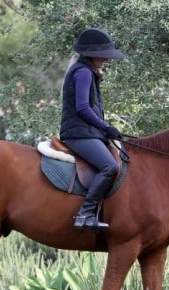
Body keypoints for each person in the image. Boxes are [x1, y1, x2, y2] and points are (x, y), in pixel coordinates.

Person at [60, 27, 125, 231]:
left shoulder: (88, 72)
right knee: (110, 166)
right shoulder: (84, 73)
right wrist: (106, 127)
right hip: (78, 133)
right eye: (103, 57)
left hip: (85, 132)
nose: (105, 60)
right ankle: (85, 213)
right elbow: (82, 108)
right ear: (92, 55)